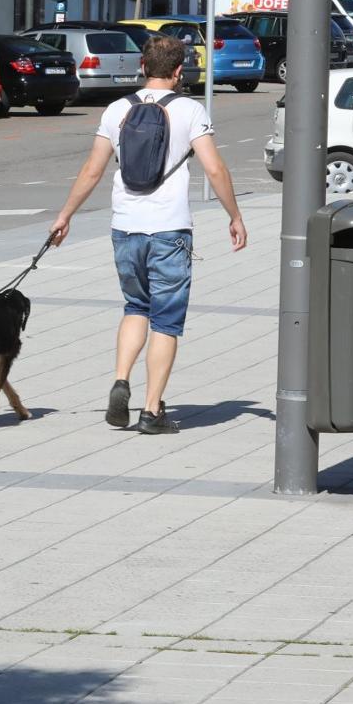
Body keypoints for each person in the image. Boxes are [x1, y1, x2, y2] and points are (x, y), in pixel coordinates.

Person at [50, 35, 247, 434]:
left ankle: (120, 379)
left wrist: (65, 215)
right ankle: (152, 410)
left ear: (142, 66)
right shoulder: (190, 110)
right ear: (178, 71)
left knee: (134, 307)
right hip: (169, 229)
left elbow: (92, 170)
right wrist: (235, 216)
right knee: (167, 321)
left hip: (125, 226)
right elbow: (214, 169)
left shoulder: (117, 109)